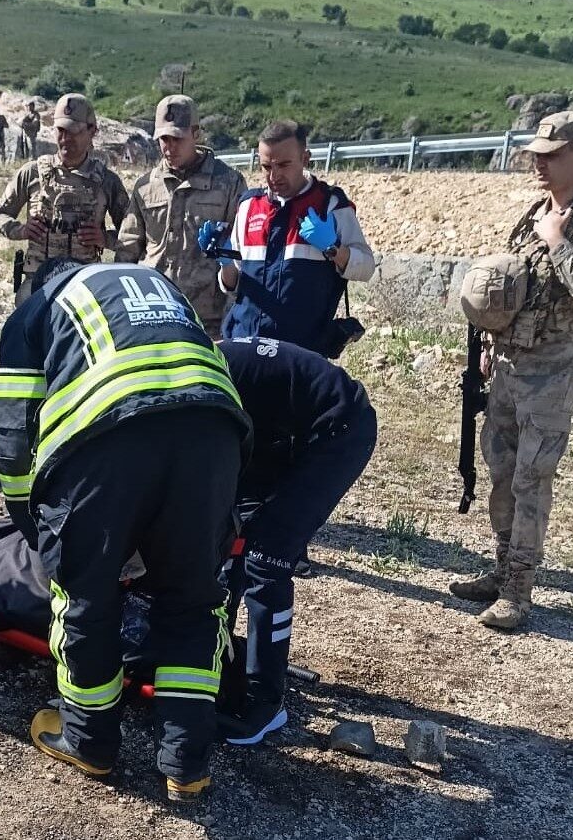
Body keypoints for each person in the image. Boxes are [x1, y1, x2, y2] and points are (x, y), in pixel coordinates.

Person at [0, 258, 251, 802]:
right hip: (214, 435)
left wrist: (36, 528)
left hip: (109, 436)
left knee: (86, 593)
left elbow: (11, 430)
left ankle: (88, 740)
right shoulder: (157, 287)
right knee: (193, 599)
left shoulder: (37, 308)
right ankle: (186, 763)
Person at [450, 111, 573, 630]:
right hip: (509, 364)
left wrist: (557, 240)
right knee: (502, 471)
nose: (539, 164)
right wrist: (490, 342)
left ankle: (518, 591)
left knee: (532, 477)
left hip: (553, 373)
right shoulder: (534, 212)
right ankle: (501, 569)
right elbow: (514, 289)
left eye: (551, 155)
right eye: (535, 155)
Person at [216, 337, 376, 745]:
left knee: (265, 559)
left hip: (338, 426)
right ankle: (221, 655)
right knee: (228, 545)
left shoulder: (196, 388)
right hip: (274, 430)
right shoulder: (189, 382)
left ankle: (264, 701)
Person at [215, 121, 375, 355]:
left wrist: (333, 249)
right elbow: (235, 286)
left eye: (283, 165)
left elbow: (367, 268)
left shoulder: (330, 205)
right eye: (266, 167)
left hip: (302, 355)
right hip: (245, 347)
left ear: (305, 158)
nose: (274, 176)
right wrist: (225, 262)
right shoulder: (249, 206)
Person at [115, 95, 245, 338]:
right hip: (154, 313)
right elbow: (128, 249)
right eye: (164, 139)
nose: (169, 147)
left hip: (207, 319)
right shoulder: (145, 186)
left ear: (195, 134)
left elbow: (239, 254)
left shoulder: (229, 183)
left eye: (177, 138)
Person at [0, 93, 129, 305]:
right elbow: (0, 214)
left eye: (74, 131)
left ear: (92, 131)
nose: (66, 138)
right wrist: (22, 230)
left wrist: (104, 239)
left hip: (85, 281)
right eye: (61, 130)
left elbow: (132, 234)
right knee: (23, 320)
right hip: (38, 280)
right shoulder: (32, 173)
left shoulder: (106, 181)